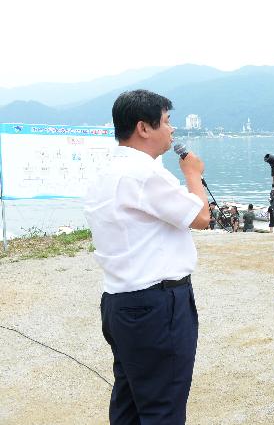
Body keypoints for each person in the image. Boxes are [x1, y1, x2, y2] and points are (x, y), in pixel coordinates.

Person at [84, 89, 209, 424]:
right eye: (166, 121)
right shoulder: (145, 173)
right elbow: (200, 217)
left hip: (120, 301)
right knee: (162, 409)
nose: (171, 129)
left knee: (129, 402)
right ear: (143, 127)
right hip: (157, 304)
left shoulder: (104, 172)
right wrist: (193, 175)